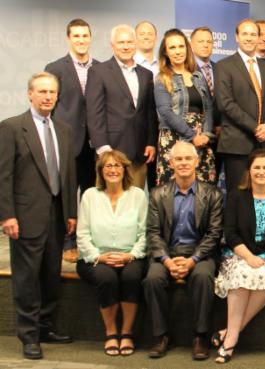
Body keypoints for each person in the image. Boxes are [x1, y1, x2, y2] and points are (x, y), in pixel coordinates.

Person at [0, 72, 78, 360]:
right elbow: (3, 176)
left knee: (50, 275)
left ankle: (45, 326)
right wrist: (7, 215)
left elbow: (68, 176)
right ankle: (28, 335)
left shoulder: (64, 130)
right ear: (29, 94)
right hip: (24, 216)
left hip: (57, 216)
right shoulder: (11, 128)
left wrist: (71, 212)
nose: (47, 97)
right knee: (27, 278)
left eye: (52, 92)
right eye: (42, 91)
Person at [143, 141, 224, 360]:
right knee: (152, 278)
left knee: (203, 276)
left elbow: (213, 234)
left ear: (197, 162)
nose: (184, 163)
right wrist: (167, 261)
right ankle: (161, 336)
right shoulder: (157, 194)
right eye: (178, 159)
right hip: (167, 252)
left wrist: (193, 260)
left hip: (200, 252)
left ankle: (200, 336)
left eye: (188, 158)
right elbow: (152, 233)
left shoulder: (212, 194)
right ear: (170, 163)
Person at [213, 149, 265, 363]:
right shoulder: (236, 196)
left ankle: (230, 334)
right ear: (249, 171)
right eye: (256, 167)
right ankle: (231, 338)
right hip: (239, 252)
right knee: (240, 274)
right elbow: (229, 233)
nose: (261, 171)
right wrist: (248, 257)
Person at [76, 150, 148, 357]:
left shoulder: (138, 195)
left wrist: (131, 255)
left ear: (125, 169)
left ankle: (126, 333)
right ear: (101, 171)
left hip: (131, 256)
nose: (113, 170)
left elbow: (145, 233)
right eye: (108, 166)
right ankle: (111, 332)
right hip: (96, 258)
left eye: (118, 166)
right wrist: (98, 257)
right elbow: (82, 234)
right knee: (106, 277)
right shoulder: (90, 196)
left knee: (131, 276)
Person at [45, 18, 99, 263]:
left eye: (84, 35)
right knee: (68, 194)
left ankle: (89, 240)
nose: (81, 40)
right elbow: (50, 108)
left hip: (96, 144)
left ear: (90, 38)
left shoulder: (99, 67)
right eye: (76, 36)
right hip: (68, 142)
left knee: (92, 194)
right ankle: (67, 241)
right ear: (68, 38)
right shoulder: (55, 67)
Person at [86, 24, 157, 189]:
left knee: (134, 204)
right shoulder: (99, 72)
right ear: (112, 45)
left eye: (130, 42)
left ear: (135, 44)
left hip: (140, 154)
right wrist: (103, 148)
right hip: (111, 152)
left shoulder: (146, 74)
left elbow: (149, 112)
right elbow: (94, 112)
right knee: (111, 205)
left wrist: (151, 142)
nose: (126, 46)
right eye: (121, 42)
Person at [214, 19, 265, 194]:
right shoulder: (224, 66)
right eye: (245, 34)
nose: (249, 38)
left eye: (253, 34)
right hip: (237, 143)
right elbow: (225, 103)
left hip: (264, 143)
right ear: (236, 37)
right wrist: (255, 127)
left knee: (264, 194)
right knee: (237, 196)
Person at [154, 28, 216, 185]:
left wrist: (206, 135)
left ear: (187, 49)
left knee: (203, 188)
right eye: (172, 48)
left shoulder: (198, 76)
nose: (177, 51)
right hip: (174, 137)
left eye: (181, 46)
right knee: (172, 190)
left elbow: (208, 108)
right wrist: (192, 136)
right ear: (166, 52)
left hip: (201, 140)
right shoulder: (163, 78)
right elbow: (165, 112)